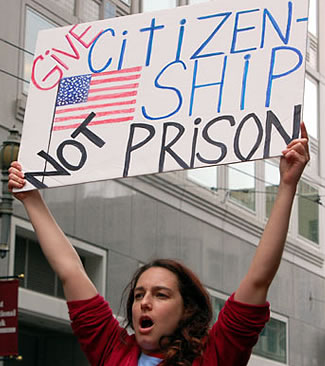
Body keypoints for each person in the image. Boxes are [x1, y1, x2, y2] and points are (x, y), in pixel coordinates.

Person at [8, 123, 310, 366]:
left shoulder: (214, 357)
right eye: (139, 294)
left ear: (187, 310)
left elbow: (258, 279)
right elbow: (71, 271)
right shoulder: (112, 352)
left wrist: (286, 187)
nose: (144, 302)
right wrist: (31, 198)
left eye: (161, 294)